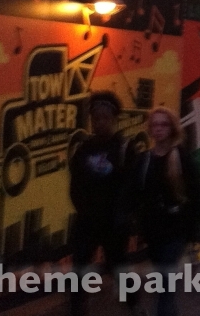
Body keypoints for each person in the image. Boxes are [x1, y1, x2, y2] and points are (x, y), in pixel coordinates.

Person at [68, 91, 137, 316]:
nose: (99, 123)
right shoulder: (83, 150)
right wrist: (83, 209)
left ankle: (133, 307)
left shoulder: (125, 148)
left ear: (114, 120)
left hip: (114, 223)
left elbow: (131, 184)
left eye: (105, 118)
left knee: (118, 268)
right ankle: (78, 310)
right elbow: (75, 184)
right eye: (95, 119)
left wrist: (123, 214)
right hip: (87, 221)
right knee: (79, 268)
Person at [131, 107, 200, 316]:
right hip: (154, 231)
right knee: (164, 284)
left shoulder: (181, 158)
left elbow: (197, 194)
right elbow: (135, 191)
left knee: (165, 281)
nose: (159, 129)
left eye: (163, 124)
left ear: (172, 128)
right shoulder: (145, 160)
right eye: (155, 125)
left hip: (176, 230)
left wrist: (192, 232)